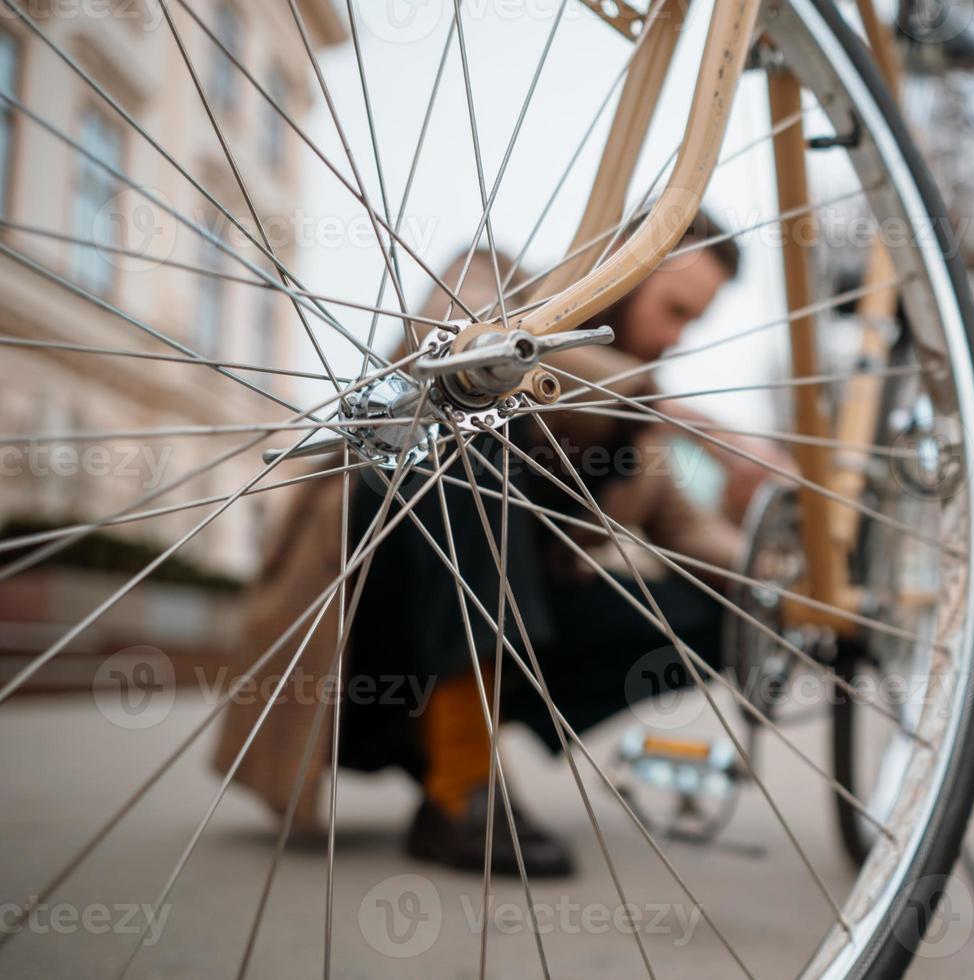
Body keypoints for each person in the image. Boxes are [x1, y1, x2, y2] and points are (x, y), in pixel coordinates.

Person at [216, 212, 772, 878]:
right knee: (467, 433)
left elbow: (698, 537)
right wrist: (673, 412)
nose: (674, 338)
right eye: (673, 309)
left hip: (509, 635)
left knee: (722, 609)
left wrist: (791, 585)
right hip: (368, 614)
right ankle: (460, 782)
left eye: (692, 324)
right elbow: (458, 341)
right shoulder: (493, 277)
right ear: (629, 267)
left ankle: (459, 748)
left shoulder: (640, 433)